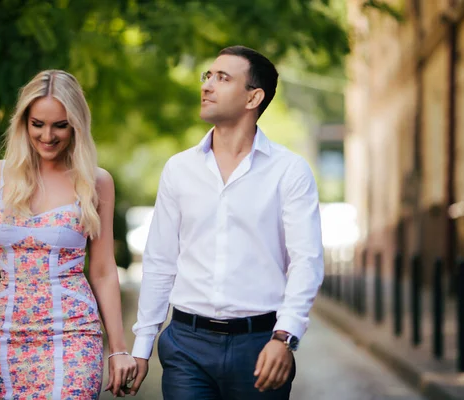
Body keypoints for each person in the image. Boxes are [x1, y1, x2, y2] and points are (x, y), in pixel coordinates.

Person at [130, 46, 324, 399]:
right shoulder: (179, 169)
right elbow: (160, 260)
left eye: (223, 78)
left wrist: (285, 337)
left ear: (254, 98)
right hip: (187, 345)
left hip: (260, 345)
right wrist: (142, 345)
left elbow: (306, 261)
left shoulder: (289, 171)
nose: (207, 86)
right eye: (208, 76)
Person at [0, 70, 137, 399]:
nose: (48, 135)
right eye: (38, 124)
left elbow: (103, 270)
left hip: (75, 334)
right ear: (23, 123)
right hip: (8, 336)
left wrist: (118, 348)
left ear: (76, 124)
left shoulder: (95, 182)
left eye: (60, 125)